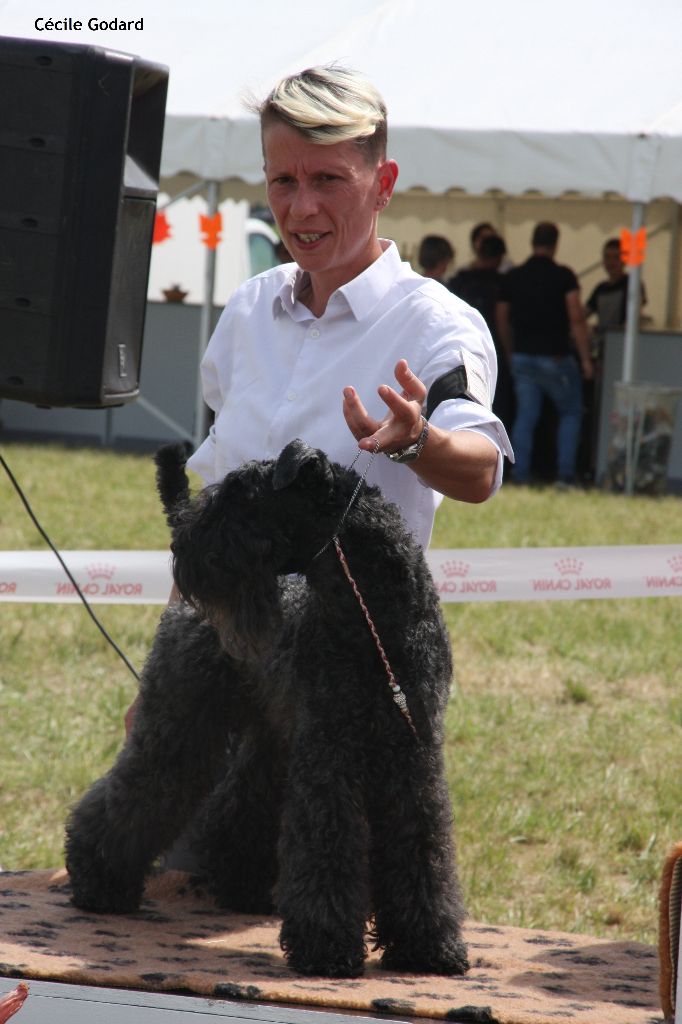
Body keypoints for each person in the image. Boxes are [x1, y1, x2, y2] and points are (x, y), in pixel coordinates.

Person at [127, 64, 513, 864]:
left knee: (314, 929)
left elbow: (479, 469)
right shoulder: (245, 313)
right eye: (283, 181)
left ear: (384, 183)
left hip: (343, 694)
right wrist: (166, 678)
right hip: (219, 684)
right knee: (180, 902)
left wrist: (418, 442)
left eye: (328, 180)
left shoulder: (439, 326)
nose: (302, 208)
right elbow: (212, 512)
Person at [496, 221, 593, 487]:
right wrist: (585, 360)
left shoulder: (514, 277)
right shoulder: (564, 276)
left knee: (526, 416)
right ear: (555, 243)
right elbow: (576, 318)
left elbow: (501, 318)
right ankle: (564, 474)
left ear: (533, 242)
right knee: (571, 412)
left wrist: (510, 350)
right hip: (556, 358)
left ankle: (520, 473)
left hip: (523, 357)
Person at [447, 234, 514, 432]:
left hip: (460, 349)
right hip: (493, 351)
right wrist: (508, 350)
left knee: (461, 403)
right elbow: (503, 321)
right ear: (500, 258)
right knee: (495, 404)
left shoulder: (460, 280)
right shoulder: (503, 283)